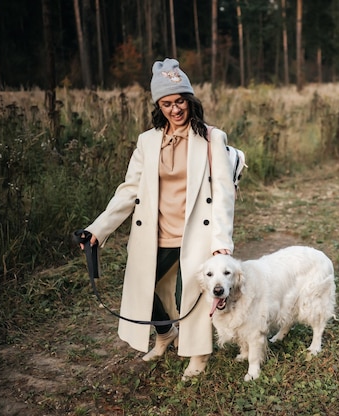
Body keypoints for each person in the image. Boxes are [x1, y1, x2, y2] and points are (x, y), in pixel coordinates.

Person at [80, 58, 236, 380]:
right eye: (167, 103)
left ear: (190, 100)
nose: (175, 109)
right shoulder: (147, 141)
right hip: (156, 233)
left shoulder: (211, 139)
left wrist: (221, 243)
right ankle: (165, 334)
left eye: (180, 101)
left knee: (189, 295)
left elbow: (223, 193)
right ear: (158, 105)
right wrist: (98, 229)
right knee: (142, 289)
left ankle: (198, 355)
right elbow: (129, 190)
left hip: (197, 235)